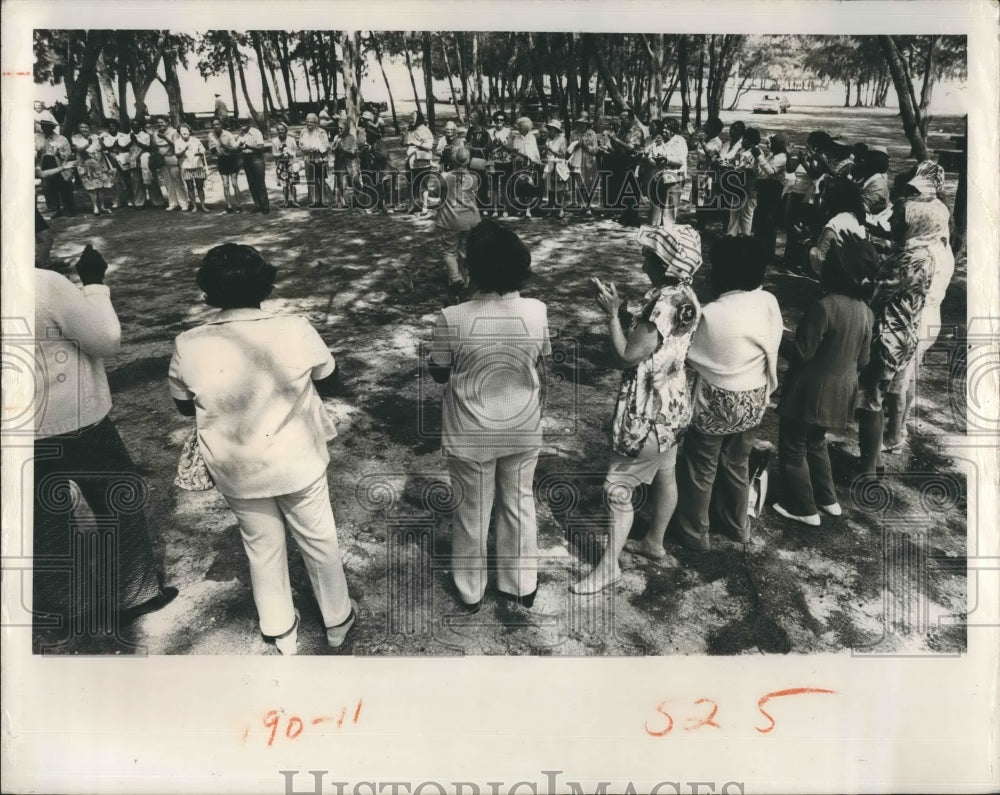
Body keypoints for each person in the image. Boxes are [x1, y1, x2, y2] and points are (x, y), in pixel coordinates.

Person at [168, 243, 357, 653]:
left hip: (236, 466)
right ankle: (337, 619)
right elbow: (332, 381)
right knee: (318, 538)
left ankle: (279, 630)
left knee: (260, 544)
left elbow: (183, 406)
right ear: (265, 284)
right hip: (296, 459)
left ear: (209, 290)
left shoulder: (189, 342)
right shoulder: (296, 328)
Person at [33, 213, 178, 630]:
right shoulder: (46, 284)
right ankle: (135, 594)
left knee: (44, 518)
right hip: (76, 420)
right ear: (35, 236)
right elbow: (105, 340)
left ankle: (66, 606)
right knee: (117, 500)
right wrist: (94, 284)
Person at [572, 225, 703, 594]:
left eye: (649, 253)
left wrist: (612, 314)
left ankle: (608, 567)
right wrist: (628, 311)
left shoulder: (662, 303)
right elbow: (658, 340)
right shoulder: (687, 295)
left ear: (666, 262)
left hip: (647, 411)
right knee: (666, 472)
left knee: (617, 488)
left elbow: (628, 355)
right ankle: (654, 542)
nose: (642, 258)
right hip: (675, 403)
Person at [427, 220, 551, 612]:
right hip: (522, 424)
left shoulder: (452, 317)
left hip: (470, 431)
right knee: (519, 504)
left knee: (471, 512)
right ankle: (520, 584)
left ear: (471, 269)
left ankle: (471, 591)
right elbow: (542, 362)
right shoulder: (536, 310)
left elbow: (439, 371)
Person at [673, 236, 783, 550]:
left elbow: (688, 353)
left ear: (723, 273)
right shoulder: (768, 302)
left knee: (701, 466)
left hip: (715, 403)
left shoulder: (712, 313)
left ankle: (695, 533)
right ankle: (738, 526)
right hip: (753, 399)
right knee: (737, 463)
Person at [772, 239, 874, 525]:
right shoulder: (867, 311)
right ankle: (828, 499)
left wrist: (777, 335)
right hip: (842, 393)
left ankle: (803, 507)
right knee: (816, 443)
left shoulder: (824, 306)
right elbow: (863, 360)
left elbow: (802, 352)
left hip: (809, 391)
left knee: (793, 446)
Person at [869, 161, 953, 458]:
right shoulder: (938, 243)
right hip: (927, 316)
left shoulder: (916, 257)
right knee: (908, 377)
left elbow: (882, 290)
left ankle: (890, 436)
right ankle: (897, 430)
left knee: (894, 383)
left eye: (902, 220)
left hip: (910, 320)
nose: (896, 224)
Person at [431, 146, 482, 294]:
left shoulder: (445, 177)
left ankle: (455, 278)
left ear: (452, 160)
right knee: (465, 250)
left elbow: (435, 192)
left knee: (449, 251)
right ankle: (465, 279)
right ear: (468, 161)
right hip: (470, 218)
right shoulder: (474, 178)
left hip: (450, 218)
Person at [808, 177, 868, 277]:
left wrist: (811, 248)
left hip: (837, 281)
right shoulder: (856, 218)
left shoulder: (834, 224)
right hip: (855, 275)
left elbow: (820, 264)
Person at [752, 133, 789, 265]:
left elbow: (771, 171)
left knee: (769, 222)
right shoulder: (771, 155)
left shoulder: (782, 158)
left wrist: (759, 157)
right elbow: (760, 172)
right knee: (760, 220)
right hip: (765, 188)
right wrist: (756, 160)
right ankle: (759, 249)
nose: (768, 145)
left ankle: (768, 253)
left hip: (773, 190)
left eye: (771, 143)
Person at [647, 117, 688, 227]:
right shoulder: (659, 140)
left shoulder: (680, 141)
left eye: (667, 129)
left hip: (674, 178)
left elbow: (681, 160)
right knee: (655, 206)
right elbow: (651, 155)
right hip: (658, 177)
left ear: (673, 129)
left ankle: (668, 231)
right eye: (663, 128)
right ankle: (655, 230)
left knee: (670, 208)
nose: (664, 131)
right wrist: (653, 161)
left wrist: (667, 158)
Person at [35, 111, 76, 217]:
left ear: (52, 128)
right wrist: (38, 153)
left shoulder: (62, 139)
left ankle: (69, 209)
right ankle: (56, 209)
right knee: (50, 189)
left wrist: (59, 153)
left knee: (65, 187)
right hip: (46, 166)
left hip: (60, 165)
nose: (45, 128)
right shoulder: (38, 139)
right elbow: (35, 156)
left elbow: (69, 154)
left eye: (47, 126)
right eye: (43, 126)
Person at [71, 122, 116, 215]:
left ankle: (102, 206)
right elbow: (79, 150)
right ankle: (95, 207)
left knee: (102, 185)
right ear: (79, 129)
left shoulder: (95, 136)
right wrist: (88, 144)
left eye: (86, 127)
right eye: (82, 127)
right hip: (85, 164)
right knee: (91, 186)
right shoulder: (75, 138)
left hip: (99, 162)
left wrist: (102, 142)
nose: (84, 129)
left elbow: (102, 149)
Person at [724, 127, 762, 236]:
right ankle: (731, 238)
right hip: (737, 187)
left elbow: (755, 171)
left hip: (748, 188)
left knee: (746, 216)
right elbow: (733, 162)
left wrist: (739, 168)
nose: (742, 141)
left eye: (744, 139)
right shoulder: (741, 150)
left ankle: (746, 239)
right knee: (734, 215)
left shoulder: (757, 153)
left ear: (751, 140)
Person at [691, 117, 724, 229]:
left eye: (707, 125)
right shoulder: (705, 138)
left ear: (714, 129)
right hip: (700, 170)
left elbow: (711, 155)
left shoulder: (717, 142)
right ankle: (699, 222)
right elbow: (692, 147)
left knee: (705, 198)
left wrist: (702, 142)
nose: (704, 127)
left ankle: (704, 224)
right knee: (698, 199)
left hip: (708, 172)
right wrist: (692, 136)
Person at [207, 117, 244, 213]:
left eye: (217, 124)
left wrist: (223, 145)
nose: (215, 126)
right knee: (225, 184)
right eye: (214, 125)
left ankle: (239, 205)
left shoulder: (228, 135)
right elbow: (211, 150)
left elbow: (235, 149)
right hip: (221, 160)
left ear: (221, 125)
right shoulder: (211, 135)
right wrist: (214, 150)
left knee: (234, 184)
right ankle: (229, 206)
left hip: (232, 159)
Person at [152, 117, 188, 211]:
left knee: (177, 181)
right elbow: (154, 146)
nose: (160, 124)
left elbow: (176, 145)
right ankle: (172, 203)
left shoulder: (173, 132)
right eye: (158, 122)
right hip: (162, 160)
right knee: (167, 182)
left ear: (167, 122)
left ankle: (184, 203)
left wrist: (165, 138)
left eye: (162, 122)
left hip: (172, 158)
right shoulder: (155, 133)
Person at [509, 117, 541, 219]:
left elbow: (534, 152)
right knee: (520, 187)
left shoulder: (531, 137)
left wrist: (533, 161)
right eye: (518, 127)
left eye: (520, 127)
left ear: (526, 128)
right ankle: (521, 208)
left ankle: (528, 209)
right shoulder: (517, 138)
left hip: (529, 165)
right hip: (519, 164)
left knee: (528, 186)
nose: (518, 129)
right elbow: (514, 151)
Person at [237, 118, 270, 213]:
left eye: (244, 122)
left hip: (256, 158)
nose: (241, 125)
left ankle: (265, 206)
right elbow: (238, 148)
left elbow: (261, 149)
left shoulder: (256, 132)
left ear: (249, 123)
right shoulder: (240, 134)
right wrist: (239, 147)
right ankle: (257, 205)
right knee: (251, 183)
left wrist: (248, 146)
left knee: (260, 182)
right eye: (240, 123)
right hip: (246, 158)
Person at [568, 113, 598, 215]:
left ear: (587, 125)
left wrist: (585, 146)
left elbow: (595, 150)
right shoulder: (573, 133)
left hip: (589, 162)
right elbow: (570, 149)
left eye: (583, 124)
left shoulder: (592, 134)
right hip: (577, 161)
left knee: (588, 184)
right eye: (580, 124)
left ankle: (588, 206)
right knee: (578, 184)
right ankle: (580, 205)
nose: (581, 126)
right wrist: (577, 145)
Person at [404, 110, 435, 212]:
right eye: (410, 118)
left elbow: (429, 146)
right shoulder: (410, 130)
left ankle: (425, 206)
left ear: (418, 118)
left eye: (413, 118)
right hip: (411, 162)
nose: (411, 120)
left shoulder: (425, 130)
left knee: (423, 184)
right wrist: (404, 137)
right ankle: (412, 205)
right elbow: (404, 143)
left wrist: (416, 143)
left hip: (422, 162)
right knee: (411, 184)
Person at [175, 124, 209, 212]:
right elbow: (177, 155)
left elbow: (203, 151)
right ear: (179, 133)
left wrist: (199, 152)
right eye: (182, 131)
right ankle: (194, 206)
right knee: (190, 186)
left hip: (197, 165)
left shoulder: (196, 140)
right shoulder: (177, 142)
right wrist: (184, 150)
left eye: (186, 130)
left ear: (189, 131)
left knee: (199, 186)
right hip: (186, 166)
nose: (184, 132)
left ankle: (203, 205)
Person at [100, 119, 134, 208]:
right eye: (110, 127)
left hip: (123, 160)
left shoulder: (123, 136)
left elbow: (126, 148)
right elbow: (106, 148)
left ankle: (130, 199)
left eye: (114, 127)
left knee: (127, 181)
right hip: (111, 161)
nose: (112, 129)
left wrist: (118, 147)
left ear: (117, 127)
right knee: (115, 182)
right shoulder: (105, 138)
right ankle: (116, 201)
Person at [297, 113, 329, 208]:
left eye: (311, 122)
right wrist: (307, 149)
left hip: (319, 159)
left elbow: (326, 145)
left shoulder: (322, 132)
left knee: (321, 179)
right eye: (307, 121)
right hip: (308, 159)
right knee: (311, 179)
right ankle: (314, 200)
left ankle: (323, 200)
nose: (309, 124)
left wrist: (318, 149)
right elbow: (301, 145)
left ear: (316, 123)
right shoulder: (303, 132)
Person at [487, 110, 513, 217]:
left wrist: (503, 145)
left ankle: (505, 209)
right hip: (494, 162)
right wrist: (493, 144)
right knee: (494, 187)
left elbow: (511, 148)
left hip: (506, 162)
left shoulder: (508, 131)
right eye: (497, 120)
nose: (499, 122)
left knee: (504, 186)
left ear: (504, 121)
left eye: (501, 120)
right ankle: (495, 209)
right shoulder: (490, 132)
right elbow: (488, 148)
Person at [542, 120, 569, 218]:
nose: (550, 131)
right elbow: (547, 154)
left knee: (560, 188)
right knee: (551, 188)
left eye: (552, 129)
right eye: (549, 129)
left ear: (556, 130)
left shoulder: (562, 139)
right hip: (550, 165)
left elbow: (563, 155)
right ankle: (551, 208)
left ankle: (560, 209)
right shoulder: (548, 139)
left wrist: (551, 150)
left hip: (559, 165)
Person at [271, 121, 301, 208]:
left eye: (282, 129)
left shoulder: (291, 140)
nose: (280, 131)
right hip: (281, 164)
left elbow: (295, 152)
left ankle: (295, 201)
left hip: (290, 163)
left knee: (292, 183)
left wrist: (290, 153)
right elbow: (274, 154)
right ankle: (286, 201)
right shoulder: (274, 141)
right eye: (278, 130)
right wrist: (280, 154)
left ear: (286, 130)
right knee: (284, 184)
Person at [331, 118, 359, 209]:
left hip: (350, 162)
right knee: (341, 181)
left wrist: (345, 150)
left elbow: (354, 151)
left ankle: (356, 200)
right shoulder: (337, 137)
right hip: (339, 162)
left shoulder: (351, 137)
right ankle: (341, 202)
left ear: (346, 128)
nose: (339, 130)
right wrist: (336, 144)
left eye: (341, 128)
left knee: (354, 181)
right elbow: (332, 150)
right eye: (338, 128)